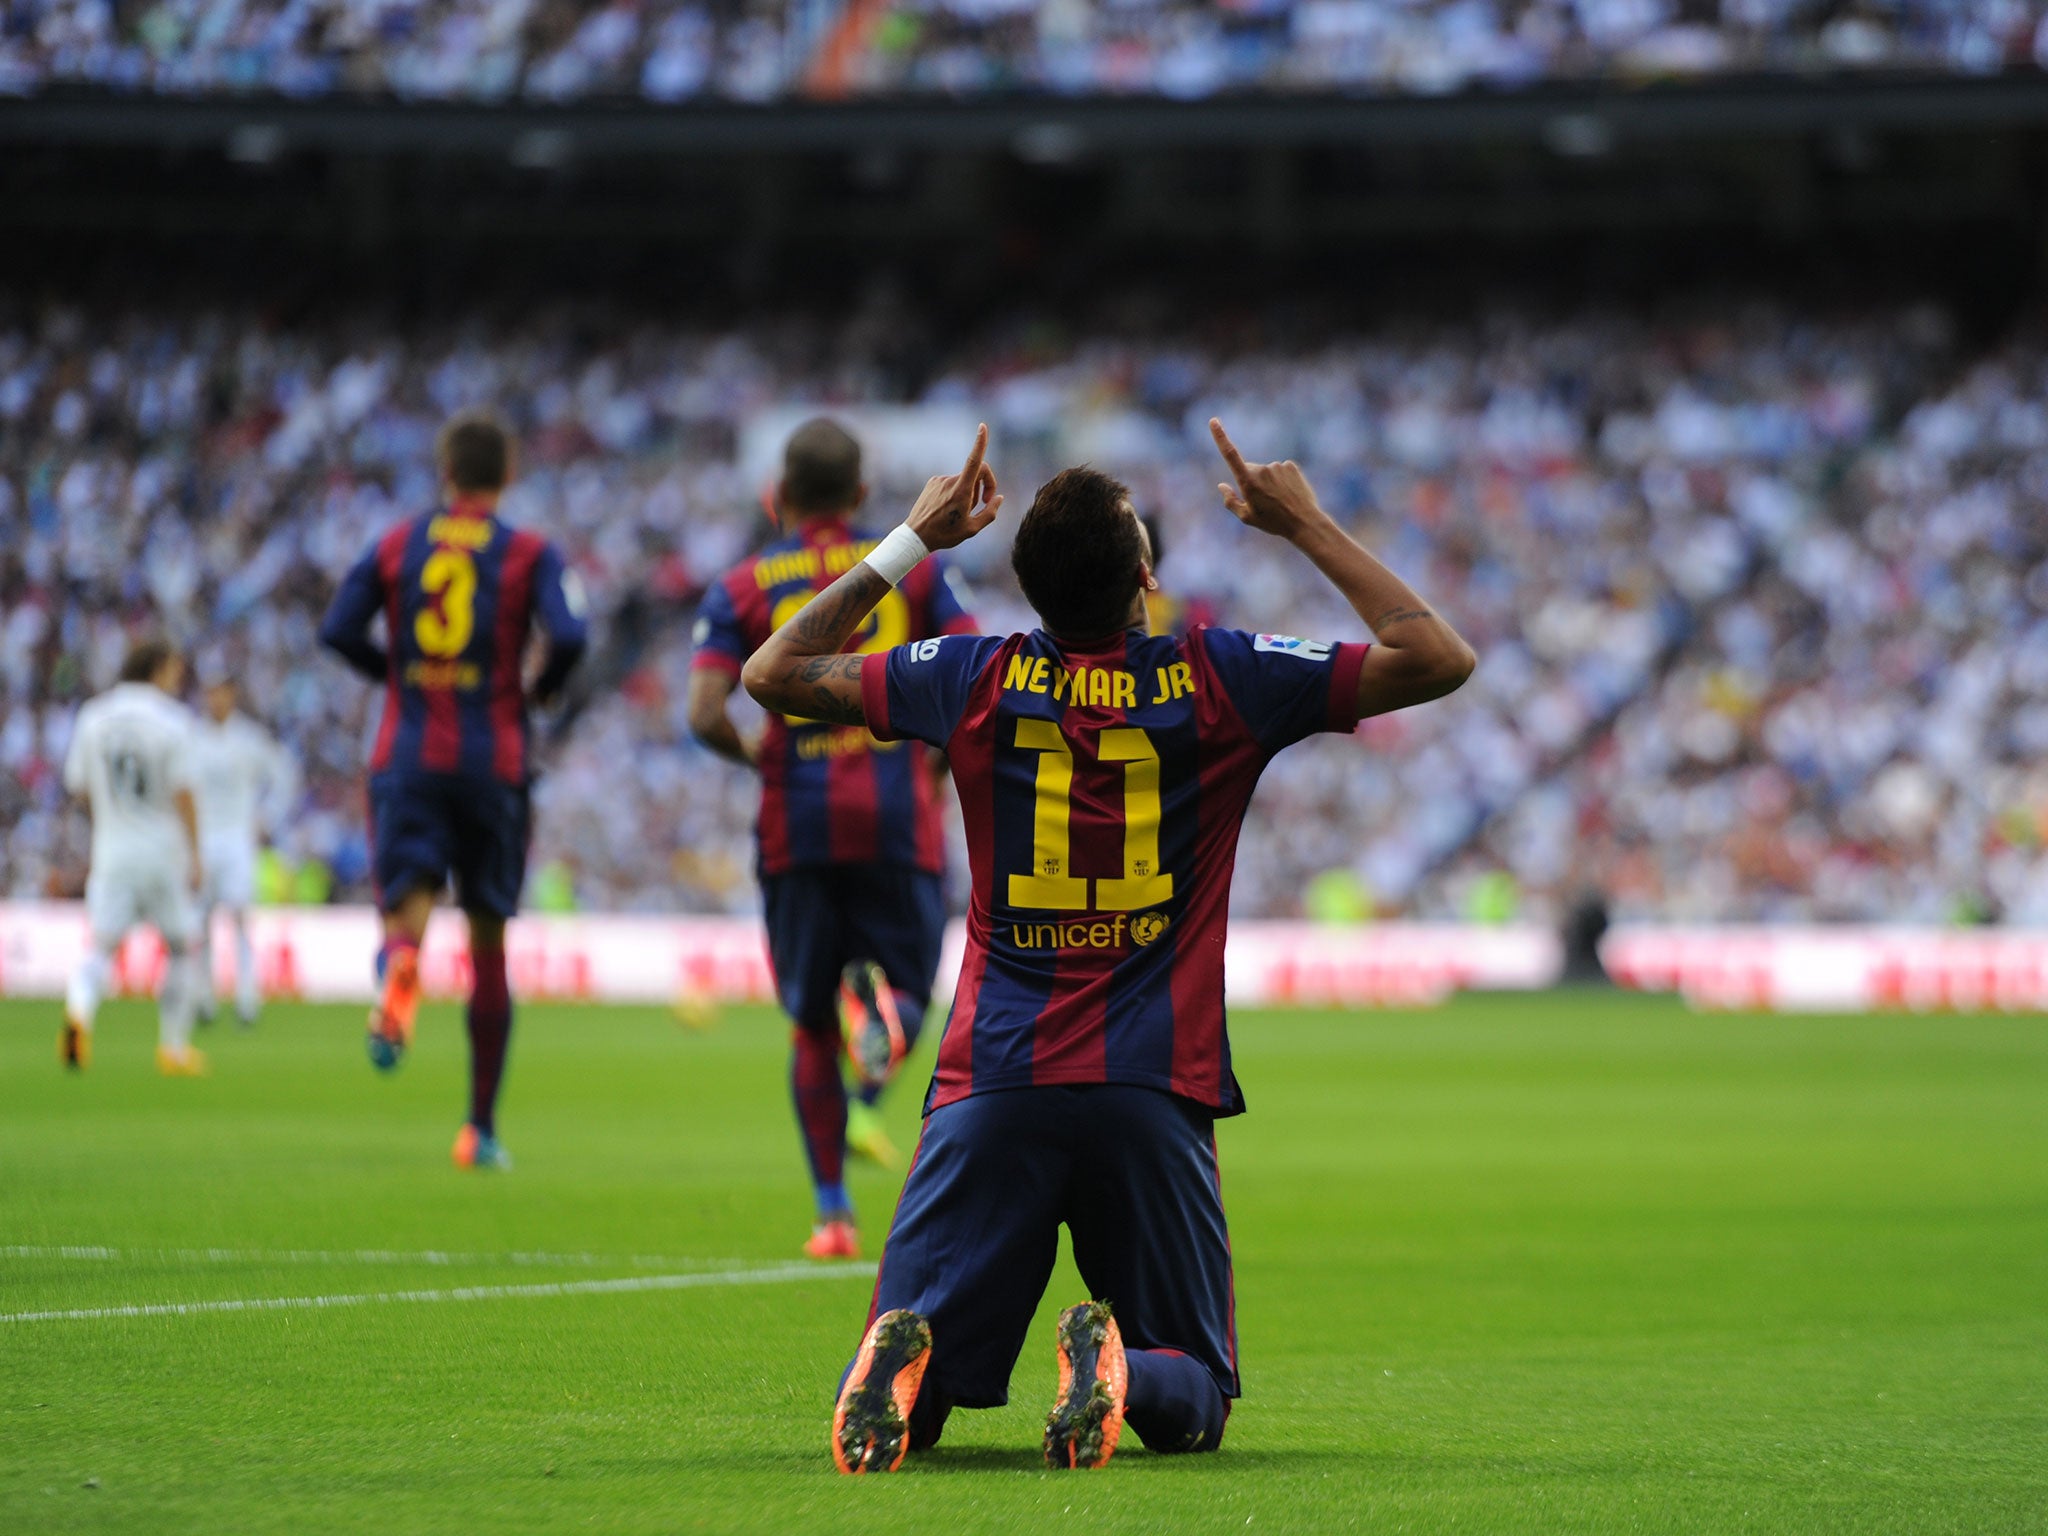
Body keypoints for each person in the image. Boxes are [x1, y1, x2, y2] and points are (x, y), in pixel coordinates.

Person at [742, 422, 1475, 1472]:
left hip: (991, 1081)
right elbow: (1437, 658)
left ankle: (907, 1369)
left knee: (928, 1370)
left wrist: (910, 539)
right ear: (1145, 574)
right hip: (1148, 1083)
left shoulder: (968, 675)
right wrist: (1303, 522)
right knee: (1195, 1389)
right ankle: (1124, 1365)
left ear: (1030, 587)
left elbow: (777, 670)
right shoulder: (1222, 677)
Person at [689, 417, 978, 1261]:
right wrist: (928, 767)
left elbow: (705, 710)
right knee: (917, 996)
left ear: (778, 496)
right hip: (895, 816)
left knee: (808, 1024)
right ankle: (880, 1020)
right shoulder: (917, 570)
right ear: (860, 496)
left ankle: (831, 1216)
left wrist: (758, 756)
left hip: (796, 822)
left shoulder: (742, 583)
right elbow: (972, 670)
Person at [319, 408, 589, 1170]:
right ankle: (480, 1127)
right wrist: (538, 689)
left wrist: (395, 675)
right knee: (488, 941)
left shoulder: (398, 542)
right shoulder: (528, 551)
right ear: (506, 476)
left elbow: (338, 628)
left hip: (405, 754)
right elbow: (570, 635)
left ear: (445, 473)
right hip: (492, 759)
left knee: (405, 910)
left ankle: (402, 965)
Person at [60, 638, 209, 1076]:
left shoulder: (93, 716)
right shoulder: (173, 721)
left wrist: (109, 819)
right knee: (183, 947)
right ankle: (173, 1048)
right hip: (163, 851)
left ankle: (78, 1014)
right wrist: (196, 854)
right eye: (175, 670)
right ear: (158, 668)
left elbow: (79, 787)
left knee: (102, 947)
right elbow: (184, 793)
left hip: (113, 850)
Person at [188, 665, 299, 1029]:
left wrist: (267, 817)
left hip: (236, 840)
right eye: (210, 692)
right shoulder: (193, 738)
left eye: (221, 691)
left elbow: (285, 773)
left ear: (231, 696)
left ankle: (246, 997)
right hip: (202, 840)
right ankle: (204, 996)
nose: (215, 699)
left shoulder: (249, 739)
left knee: (239, 919)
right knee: (200, 922)